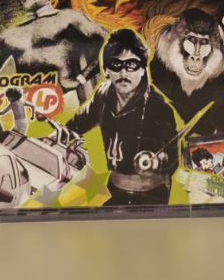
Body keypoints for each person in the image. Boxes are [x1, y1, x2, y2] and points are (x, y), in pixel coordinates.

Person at [66, 28, 178, 206]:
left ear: (143, 70)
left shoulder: (159, 107)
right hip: (114, 189)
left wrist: (160, 160)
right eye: (116, 65)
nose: (123, 73)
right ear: (107, 70)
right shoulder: (103, 94)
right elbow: (75, 125)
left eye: (131, 65)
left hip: (151, 197)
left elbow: (172, 157)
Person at [0, 0, 107, 101]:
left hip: (70, 99)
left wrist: (83, 77)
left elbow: (108, 41)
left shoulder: (69, 17)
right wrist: (0, 97)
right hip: (31, 105)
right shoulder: (10, 35)